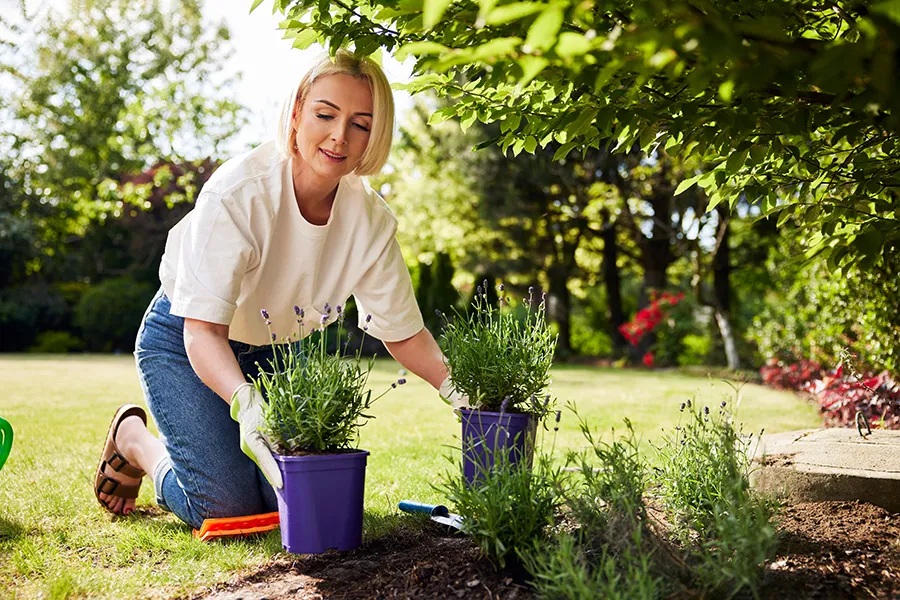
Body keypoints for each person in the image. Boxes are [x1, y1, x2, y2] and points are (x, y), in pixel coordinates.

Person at [93, 50, 469, 528]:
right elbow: (202, 331)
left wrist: (458, 392)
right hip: (187, 341)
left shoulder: (370, 221)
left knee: (292, 499)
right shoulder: (238, 194)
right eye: (325, 114)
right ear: (296, 114)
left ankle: (206, 459)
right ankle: (136, 443)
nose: (339, 136)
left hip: (272, 353)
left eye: (360, 123)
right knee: (226, 509)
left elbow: (401, 331)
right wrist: (245, 403)